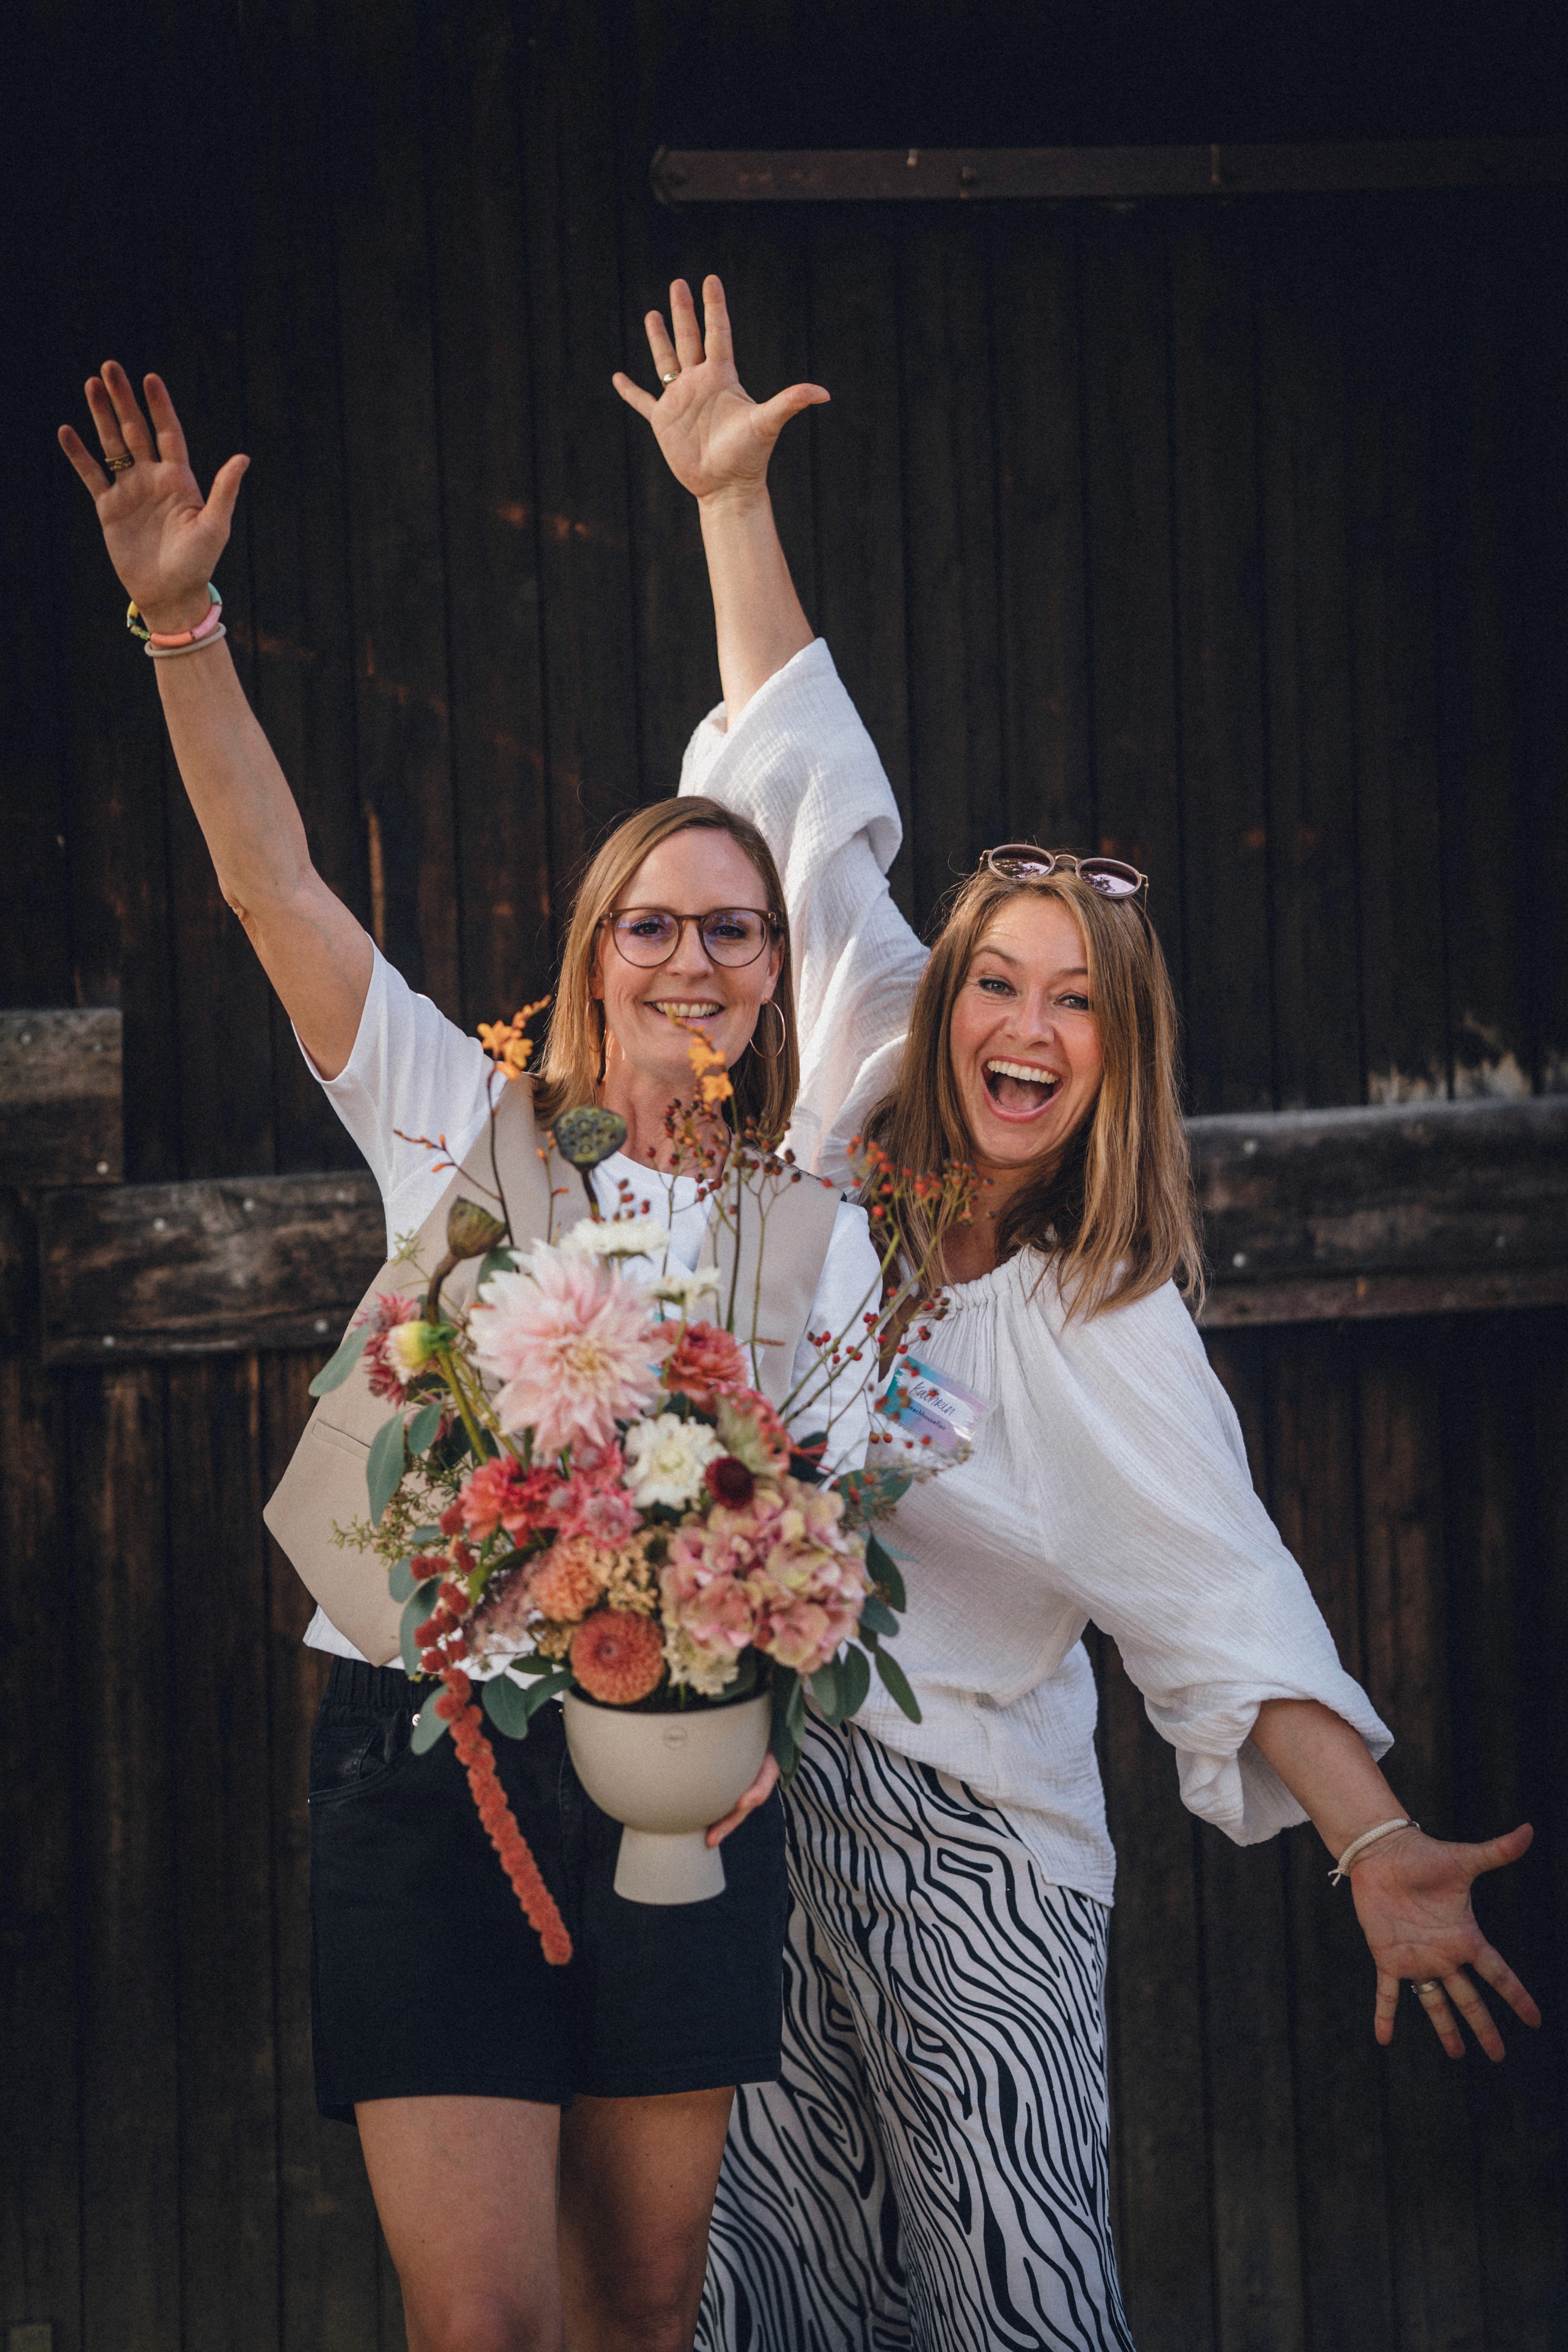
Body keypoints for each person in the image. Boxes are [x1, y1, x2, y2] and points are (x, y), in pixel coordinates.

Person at [614, 276, 1543, 2352]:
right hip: (766, 1804)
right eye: (1000, 982)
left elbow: (1222, 1595)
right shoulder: (857, 1078)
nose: (1025, 1023)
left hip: (974, 1847)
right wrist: (730, 501)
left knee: (1012, 2297)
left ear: (1115, 1058)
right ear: (945, 999)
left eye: (1076, 1002)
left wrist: (1374, 1837)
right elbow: (801, 798)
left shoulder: (1099, 1320)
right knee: (773, 2300)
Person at [58, 363, 879, 2352]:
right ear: (597, 947)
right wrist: (180, 619)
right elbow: (272, 885)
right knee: (484, 2320)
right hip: (428, 1762)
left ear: (777, 974)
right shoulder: (462, 1115)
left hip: (682, 1781)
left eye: (736, 931)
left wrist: (756, 1637)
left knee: (642, 2306)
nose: (694, 961)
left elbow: (826, 1537)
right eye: (655, 926)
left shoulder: (817, 1228)